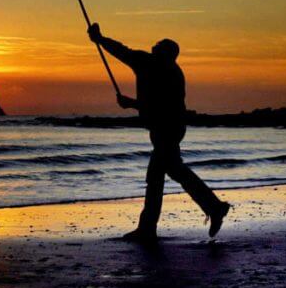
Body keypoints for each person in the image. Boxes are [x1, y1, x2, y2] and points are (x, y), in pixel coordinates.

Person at [88, 22, 230, 242]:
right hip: (171, 128)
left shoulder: (150, 64)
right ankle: (212, 207)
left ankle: (149, 227)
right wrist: (100, 39)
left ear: (164, 53)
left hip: (166, 129)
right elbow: (122, 52)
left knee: (157, 177)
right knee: (173, 171)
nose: (153, 47)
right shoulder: (172, 70)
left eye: (158, 46)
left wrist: (131, 104)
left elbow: (123, 53)